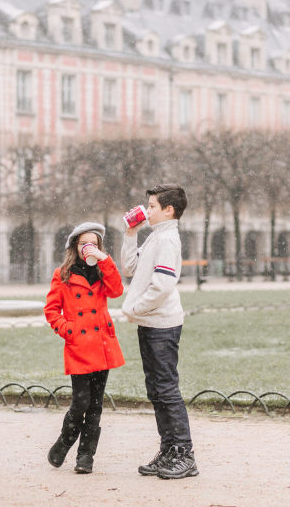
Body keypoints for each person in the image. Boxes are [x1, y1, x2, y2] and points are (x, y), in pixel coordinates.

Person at [120, 184, 198, 480]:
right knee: (156, 389)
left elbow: (163, 285)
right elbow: (130, 267)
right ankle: (169, 450)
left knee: (165, 389)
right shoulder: (156, 236)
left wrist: (135, 308)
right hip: (151, 323)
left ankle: (184, 453)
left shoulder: (167, 239)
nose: (147, 210)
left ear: (169, 210)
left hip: (162, 324)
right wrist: (130, 234)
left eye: (152, 206)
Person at [43, 222, 125, 474]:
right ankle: (65, 440)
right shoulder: (63, 274)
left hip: (102, 344)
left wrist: (104, 259)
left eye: (93, 243)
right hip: (79, 345)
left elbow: (117, 290)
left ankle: (86, 455)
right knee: (80, 402)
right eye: (83, 243)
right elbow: (51, 311)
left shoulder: (103, 271)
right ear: (75, 246)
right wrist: (69, 330)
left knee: (96, 405)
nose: (88, 247)